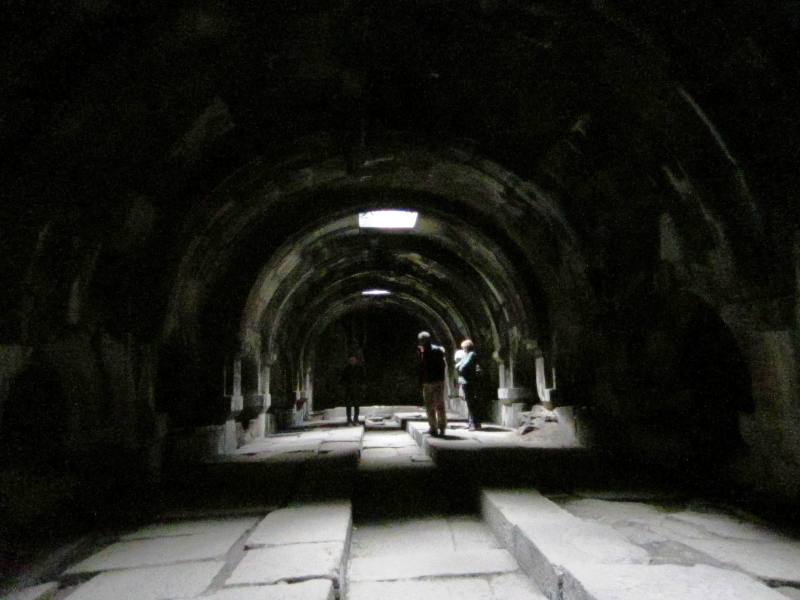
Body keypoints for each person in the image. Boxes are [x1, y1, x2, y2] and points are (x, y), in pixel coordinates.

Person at [417, 331, 447, 437]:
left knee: (438, 405)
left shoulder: (436, 350)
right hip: (430, 381)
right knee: (430, 405)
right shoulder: (424, 351)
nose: (421, 342)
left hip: (434, 381)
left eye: (422, 340)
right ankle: (433, 427)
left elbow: (441, 365)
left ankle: (441, 427)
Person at [456, 339, 482, 430]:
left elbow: (463, 366)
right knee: (470, 403)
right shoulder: (467, 355)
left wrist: (460, 367)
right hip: (466, 381)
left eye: (463, 348)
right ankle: (472, 422)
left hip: (468, 381)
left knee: (471, 403)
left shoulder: (471, 354)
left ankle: (474, 424)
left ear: (466, 347)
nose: (463, 349)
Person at [340, 355, 365, 425]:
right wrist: (345, 386)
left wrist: (360, 387)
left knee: (357, 405)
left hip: (357, 390)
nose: (352, 361)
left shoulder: (359, 369)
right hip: (348, 390)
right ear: (349, 361)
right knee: (348, 405)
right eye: (351, 360)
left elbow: (363, 379)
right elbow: (342, 379)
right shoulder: (346, 369)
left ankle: (356, 420)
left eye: (353, 360)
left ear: (356, 360)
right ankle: (349, 420)